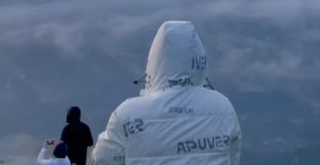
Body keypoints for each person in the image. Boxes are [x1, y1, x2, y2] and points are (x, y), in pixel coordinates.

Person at [91, 22, 241, 165]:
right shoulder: (223, 107)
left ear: (155, 61)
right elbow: (233, 156)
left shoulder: (127, 114)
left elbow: (104, 158)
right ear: (199, 60)